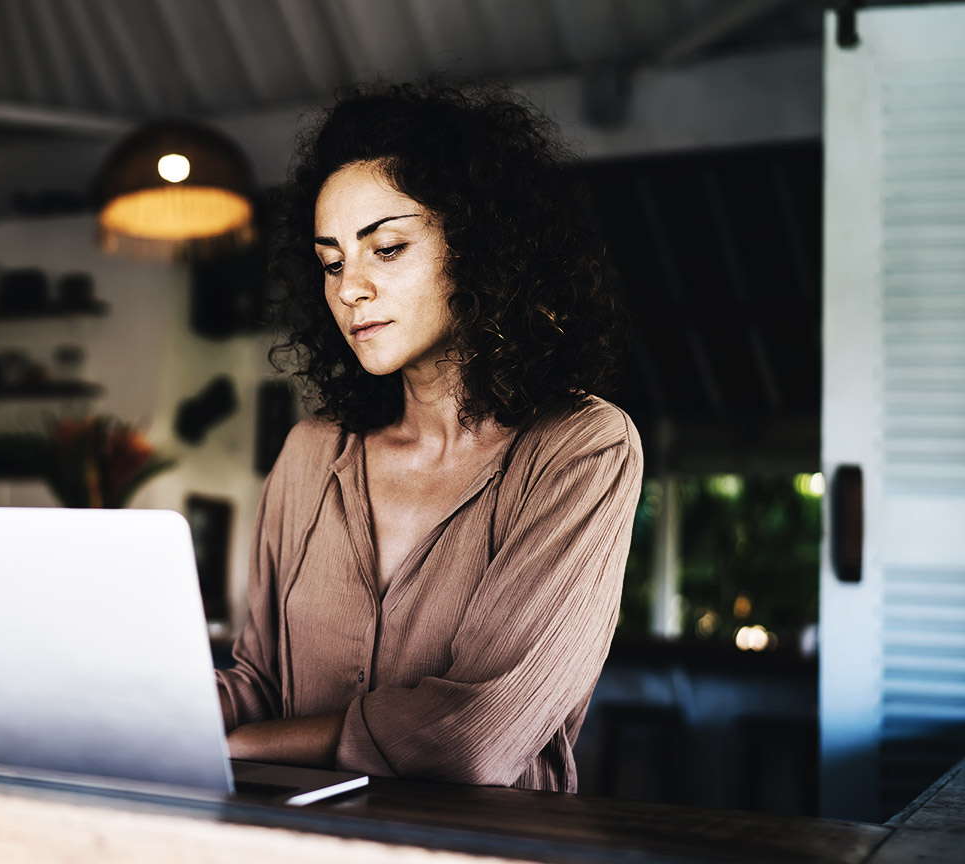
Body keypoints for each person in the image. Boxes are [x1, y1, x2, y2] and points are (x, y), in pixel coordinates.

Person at [214, 82, 643, 792]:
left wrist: (244, 746)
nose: (350, 287)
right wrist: (128, 708)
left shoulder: (583, 449)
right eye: (331, 261)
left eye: (385, 248)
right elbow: (258, 681)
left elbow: (475, 735)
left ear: (478, 250)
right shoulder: (309, 454)